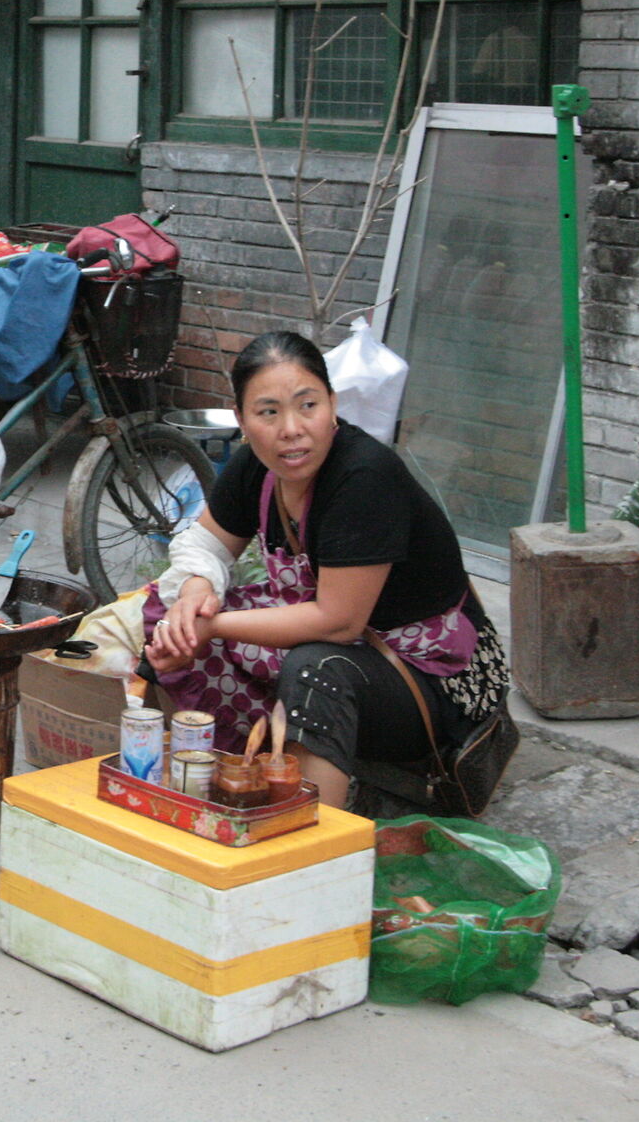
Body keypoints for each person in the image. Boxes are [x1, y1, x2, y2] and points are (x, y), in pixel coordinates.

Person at [144, 331, 510, 810]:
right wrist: (194, 594)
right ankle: (185, 789)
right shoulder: (260, 465)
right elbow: (207, 541)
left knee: (317, 671)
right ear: (242, 419)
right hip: (352, 645)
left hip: (435, 683)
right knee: (165, 615)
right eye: (268, 412)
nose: (291, 429)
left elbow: (339, 622)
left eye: (308, 405)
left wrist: (209, 626)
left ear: (333, 404)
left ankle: (313, 847)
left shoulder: (364, 478)